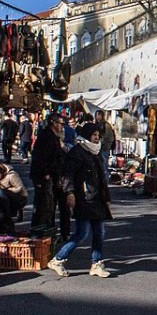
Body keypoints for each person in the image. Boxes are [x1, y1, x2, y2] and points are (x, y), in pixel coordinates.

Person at [47, 122, 114, 278]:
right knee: (82, 233)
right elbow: (68, 175)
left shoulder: (95, 152)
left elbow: (101, 179)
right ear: (86, 136)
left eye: (98, 135)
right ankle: (58, 259)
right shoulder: (77, 152)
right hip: (83, 198)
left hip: (97, 199)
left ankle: (97, 264)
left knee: (99, 232)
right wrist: (69, 193)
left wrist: (107, 198)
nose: (97, 138)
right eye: (94, 135)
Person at [31, 113, 69, 241]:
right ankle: (41, 234)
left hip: (52, 175)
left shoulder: (54, 136)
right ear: (53, 123)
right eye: (61, 123)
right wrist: (46, 174)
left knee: (49, 205)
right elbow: (40, 157)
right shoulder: (47, 136)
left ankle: (47, 233)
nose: (62, 126)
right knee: (44, 206)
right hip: (44, 177)